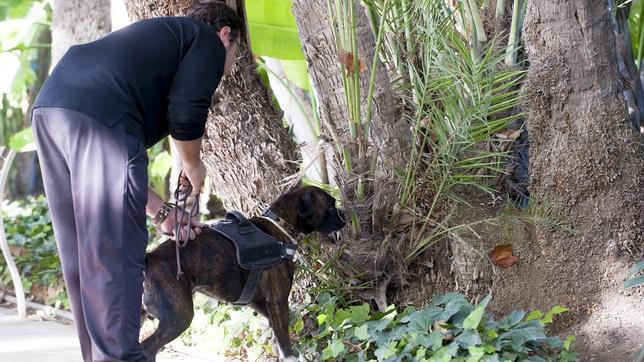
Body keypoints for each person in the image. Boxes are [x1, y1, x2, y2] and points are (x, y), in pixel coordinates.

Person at [31, 3, 242, 361]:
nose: (232, 65)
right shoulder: (206, 40)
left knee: (84, 252)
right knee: (115, 254)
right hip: (97, 114)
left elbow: (114, 159)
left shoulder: (161, 44)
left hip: (52, 109)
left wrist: (162, 212)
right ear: (226, 34)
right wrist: (193, 166)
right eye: (236, 54)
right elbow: (187, 113)